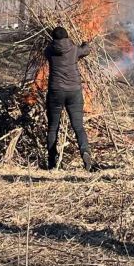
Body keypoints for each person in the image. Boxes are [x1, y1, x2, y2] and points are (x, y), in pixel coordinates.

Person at [44, 25, 93, 171]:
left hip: (55, 92)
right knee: (78, 126)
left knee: (53, 128)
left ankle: (52, 161)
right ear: (66, 37)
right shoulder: (74, 49)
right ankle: (85, 153)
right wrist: (85, 43)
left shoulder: (49, 51)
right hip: (74, 92)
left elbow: (46, 50)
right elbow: (87, 50)